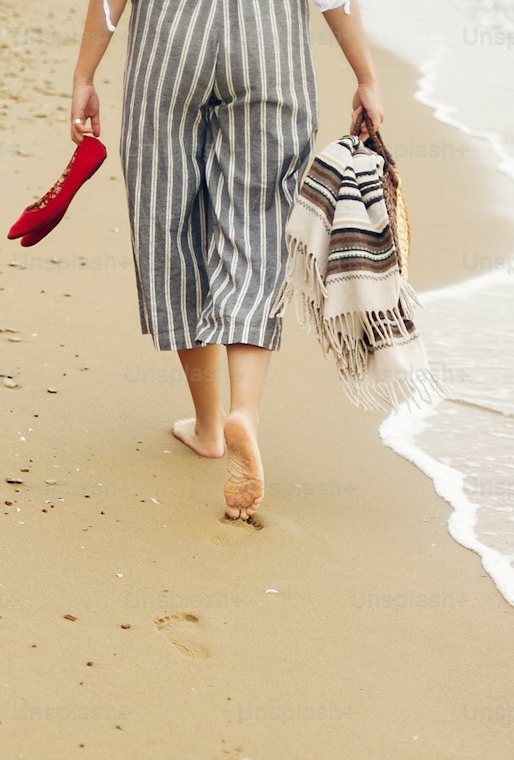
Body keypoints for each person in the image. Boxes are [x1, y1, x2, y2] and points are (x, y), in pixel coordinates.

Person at [70, 0, 385, 521]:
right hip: (269, 46)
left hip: (171, 44)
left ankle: (208, 425)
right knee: (259, 226)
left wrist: (85, 74)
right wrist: (366, 76)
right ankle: (245, 412)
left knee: (170, 217)